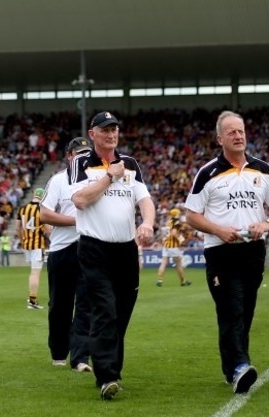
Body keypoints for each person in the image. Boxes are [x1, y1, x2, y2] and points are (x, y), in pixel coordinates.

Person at [184, 110, 269, 394]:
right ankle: (241, 365)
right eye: (231, 132)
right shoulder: (207, 173)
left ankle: (233, 369)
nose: (238, 135)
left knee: (245, 311)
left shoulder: (262, 169)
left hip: (253, 251)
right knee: (232, 309)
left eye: (241, 130)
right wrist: (217, 230)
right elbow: (191, 215)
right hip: (221, 251)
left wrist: (266, 223)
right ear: (220, 139)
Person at [69, 111, 155, 400]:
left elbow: (145, 200)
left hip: (126, 250)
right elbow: (80, 200)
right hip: (95, 248)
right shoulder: (81, 162)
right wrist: (109, 176)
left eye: (115, 129)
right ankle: (107, 376)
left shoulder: (130, 164)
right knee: (105, 309)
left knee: (122, 312)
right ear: (92, 134)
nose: (111, 134)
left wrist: (147, 223)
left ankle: (109, 369)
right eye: (105, 129)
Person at [40, 137, 93, 372]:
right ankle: (59, 351)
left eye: (87, 153)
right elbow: (45, 215)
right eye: (79, 153)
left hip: (90, 248)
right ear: (69, 156)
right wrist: (77, 220)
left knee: (86, 305)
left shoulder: (97, 179)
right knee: (59, 306)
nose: (83, 157)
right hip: (62, 250)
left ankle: (80, 357)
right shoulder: (59, 180)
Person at [17, 187, 50, 309]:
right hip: (37, 245)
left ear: (33, 194)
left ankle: (31, 297)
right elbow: (48, 229)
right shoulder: (41, 209)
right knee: (35, 272)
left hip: (27, 244)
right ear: (42, 196)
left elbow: (17, 227)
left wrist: (22, 240)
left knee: (33, 272)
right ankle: (32, 300)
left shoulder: (22, 209)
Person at [156, 208, 192, 287]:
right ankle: (183, 281)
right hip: (173, 246)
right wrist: (180, 239)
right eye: (178, 214)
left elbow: (165, 234)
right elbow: (174, 233)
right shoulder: (176, 222)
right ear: (176, 214)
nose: (179, 215)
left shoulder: (169, 222)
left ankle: (159, 279)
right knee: (179, 264)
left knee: (163, 263)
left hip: (166, 245)